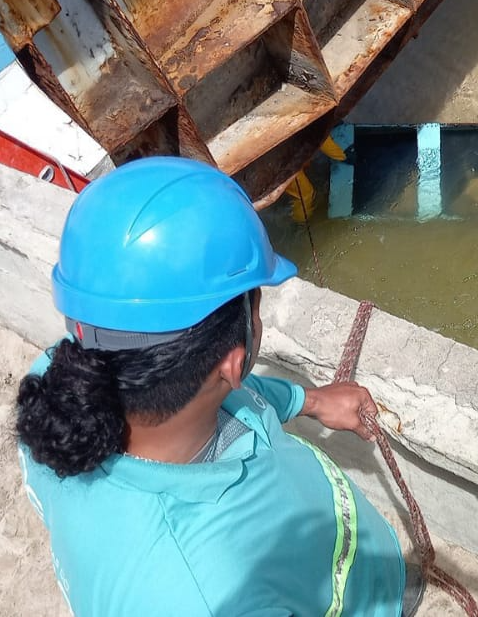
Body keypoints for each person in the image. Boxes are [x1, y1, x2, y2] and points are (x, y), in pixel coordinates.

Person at [15, 156, 416, 616]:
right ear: (233, 362)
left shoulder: (58, 388)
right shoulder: (208, 595)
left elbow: (239, 402)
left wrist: (312, 401)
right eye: (257, 305)